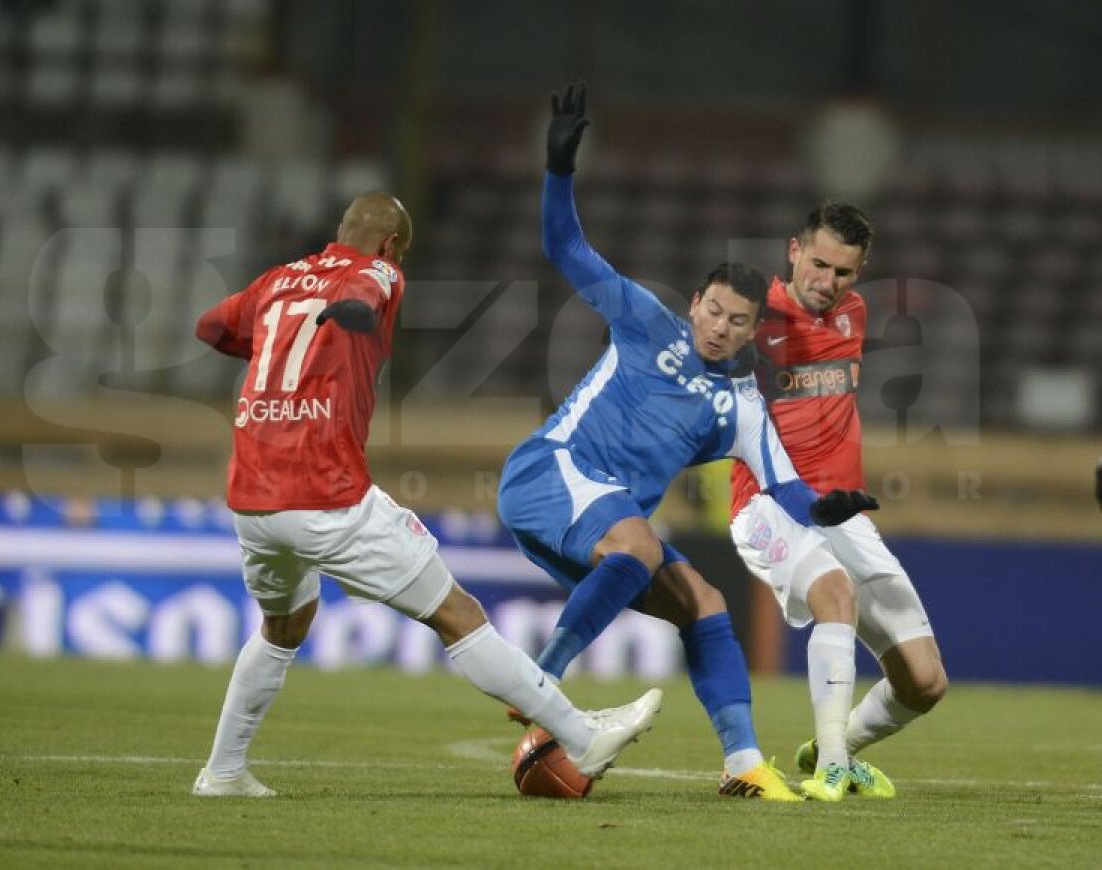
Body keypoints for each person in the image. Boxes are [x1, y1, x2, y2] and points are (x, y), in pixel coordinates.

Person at [191, 191, 662, 797]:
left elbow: (209, 326)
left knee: (283, 626)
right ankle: (579, 735)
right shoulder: (377, 270)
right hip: (326, 498)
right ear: (390, 245)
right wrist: (357, 310)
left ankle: (224, 771)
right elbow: (366, 293)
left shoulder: (280, 279)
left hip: (252, 501)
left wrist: (272, 345)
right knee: (458, 615)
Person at [497, 85, 876, 802]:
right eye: (711, 310)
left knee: (704, 602)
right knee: (640, 545)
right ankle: (540, 679)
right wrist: (558, 169)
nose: (719, 328)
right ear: (694, 301)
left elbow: (787, 490)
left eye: (738, 321)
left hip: (603, 525)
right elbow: (564, 246)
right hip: (550, 474)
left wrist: (829, 508)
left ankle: (744, 765)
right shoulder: (644, 318)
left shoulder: (740, 408)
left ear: (753, 327)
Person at [730, 203, 949, 801]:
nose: (828, 283)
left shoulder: (855, 312)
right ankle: (828, 765)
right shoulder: (753, 322)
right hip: (767, 507)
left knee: (925, 682)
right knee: (836, 594)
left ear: (861, 272)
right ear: (793, 251)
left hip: (842, 512)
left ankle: (839, 748)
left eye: (843, 272)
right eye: (818, 264)